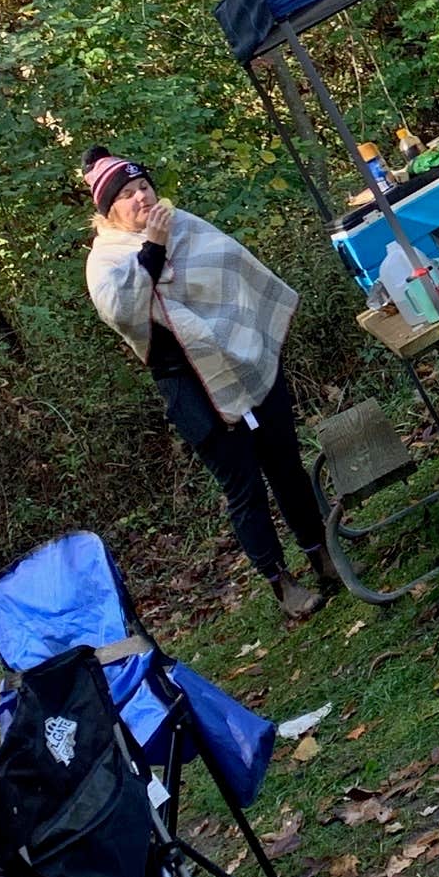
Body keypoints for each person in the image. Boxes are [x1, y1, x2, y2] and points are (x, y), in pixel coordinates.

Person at [81, 150, 337, 622]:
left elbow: (230, 268)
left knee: (286, 465)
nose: (141, 197)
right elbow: (122, 312)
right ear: (107, 211)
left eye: (143, 187)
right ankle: (281, 583)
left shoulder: (183, 223)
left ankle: (321, 552)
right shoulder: (105, 262)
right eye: (126, 194)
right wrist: (152, 249)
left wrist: (245, 328)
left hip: (242, 358)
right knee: (245, 489)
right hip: (189, 385)